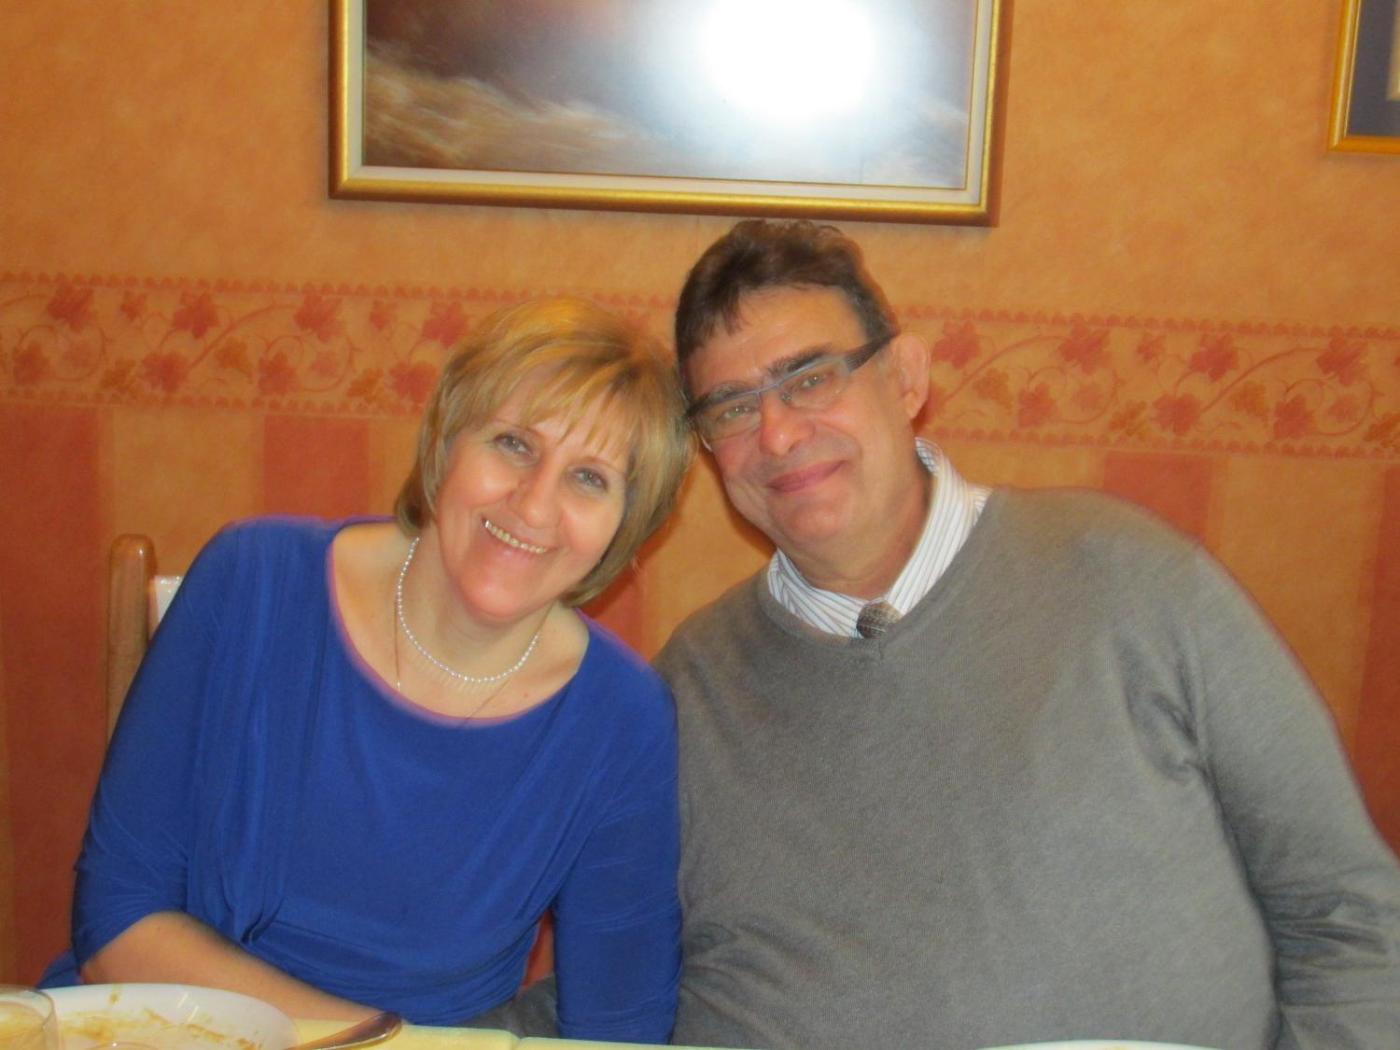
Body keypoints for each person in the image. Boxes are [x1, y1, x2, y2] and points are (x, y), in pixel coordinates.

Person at [486, 222, 1400, 1049]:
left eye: (811, 378)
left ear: (906, 379)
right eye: (730, 408)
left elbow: (1350, 913)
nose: (778, 433)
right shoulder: (685, 692)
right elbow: (611, 985)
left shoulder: (1132, 581)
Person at [46, 297, 693, 1041]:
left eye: (590, 478)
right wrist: (376, 1041)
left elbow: (619, 1027)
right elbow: (115, 918)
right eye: (513, 444)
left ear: (625, 527)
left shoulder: (621, 720)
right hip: (159, 1028)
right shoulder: (253, 580)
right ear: (446, 441)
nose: (535, 504)